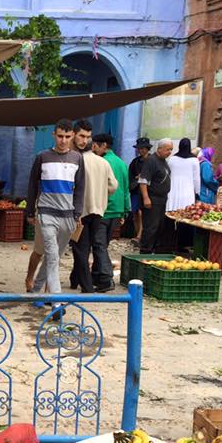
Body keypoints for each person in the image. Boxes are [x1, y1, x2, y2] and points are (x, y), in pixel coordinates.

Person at [26, 118, 85, 305]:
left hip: (68, 216)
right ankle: (57, 302)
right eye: (60, 136)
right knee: (52, 255)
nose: (63, 140)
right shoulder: (42, 157)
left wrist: (77, 214)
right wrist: (29, 211)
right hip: (46, 213)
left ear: (73, 136)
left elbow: (81, 188)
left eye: (67, 136)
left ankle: (36, 293)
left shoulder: (78, 159)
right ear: (54, 135)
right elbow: (32, 186)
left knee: (54, 256)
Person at [71, 121, 117, 293]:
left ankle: (87, 285)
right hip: (98, 211)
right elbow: (113, 185)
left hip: (81, 211)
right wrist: (102, 195)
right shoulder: (103, 162)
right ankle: (74, 279)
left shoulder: (76, 160)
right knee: (87, 246)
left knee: (80, 249)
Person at [93, 133, 130, 291]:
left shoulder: (101, 162)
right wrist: (125, 211)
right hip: (117, 210)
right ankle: (96, 275)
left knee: (99, 245)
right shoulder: (121, 163)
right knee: (103, 244)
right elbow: (126, 188)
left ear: (103, 146)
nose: (93, 148)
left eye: (95, 145)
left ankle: (107, 279)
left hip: (104, 209)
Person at [137, 138, 174, 253]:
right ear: (160, 149)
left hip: (162, 199)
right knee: (151, 227)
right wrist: (146, 198)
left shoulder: (163, 161)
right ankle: (145, 251)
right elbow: (143, 181)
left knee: (159, 226)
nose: (170, 152)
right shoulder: (151, 160)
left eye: (171, 150)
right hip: (152, 198)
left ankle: (153, 250)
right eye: (168, 149)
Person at [128, 138, 151, 242]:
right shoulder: (135, 162)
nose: (141, 150)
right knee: (135, 213)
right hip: (135, 190)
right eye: (139, 148)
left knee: (142, 213)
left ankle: (140, 235)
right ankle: (137, 233)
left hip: (146, 191)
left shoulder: (152, 161)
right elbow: (130, 176)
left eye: (143, 148)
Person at [167, 138, 200, 212]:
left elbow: (168, 175)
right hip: (188, 193)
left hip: (173, 192)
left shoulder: (172, 159)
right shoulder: (194, 160)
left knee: (171, 214)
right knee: (186, 214)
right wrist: (197, 192)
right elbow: (196, 179)